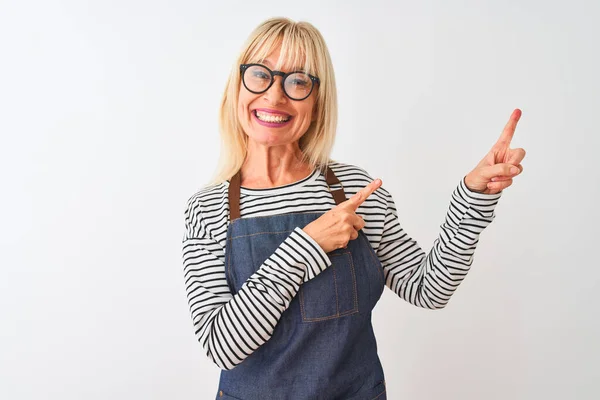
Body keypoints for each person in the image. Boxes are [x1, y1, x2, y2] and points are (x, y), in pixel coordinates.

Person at [181, 17, 526, 400]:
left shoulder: (353, 190)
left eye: (297, 81)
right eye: (260, 75)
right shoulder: (208, 208)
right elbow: (222, 346)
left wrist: (473, 197)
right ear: (239, 84)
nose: (275, 97)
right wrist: (307, 245)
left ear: (317, 99)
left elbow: (429, 289)